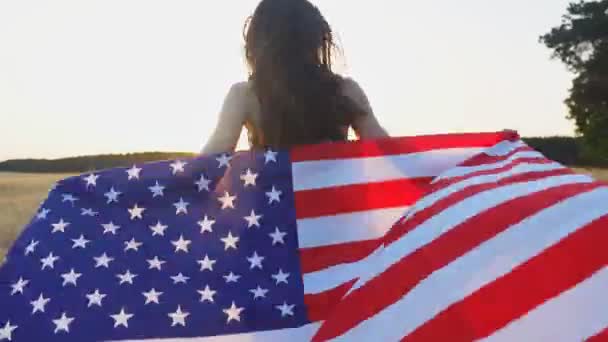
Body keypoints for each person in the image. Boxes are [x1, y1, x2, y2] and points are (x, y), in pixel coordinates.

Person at [201, 0, 388, 155]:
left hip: (273, 200)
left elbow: (211, 157)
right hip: (333, 199)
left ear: (259, 41)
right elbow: (390, 153)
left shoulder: (245, 95)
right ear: (316, 39)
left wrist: (173, 182)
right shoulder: (345, 90)